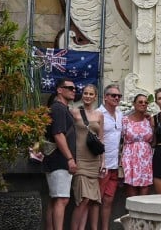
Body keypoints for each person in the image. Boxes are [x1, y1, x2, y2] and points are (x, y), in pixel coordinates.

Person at [44, 79, 78, 230]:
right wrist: (70, 158)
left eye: (74, 88)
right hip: (59, 160)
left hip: (58, 160)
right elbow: (58, 134)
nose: (73, 90)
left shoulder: (62, 108)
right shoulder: (58, 108)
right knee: (61, 199)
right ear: (59, 90)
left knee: (56, 199)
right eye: (69, 88)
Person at [71, 84, 103, 230]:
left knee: (89, 200)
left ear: (95, 97)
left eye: (91, 94)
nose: (88, 96)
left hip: (94, 160)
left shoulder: (99, 115)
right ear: (82, 95)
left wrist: (103, 162)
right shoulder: (74, 112)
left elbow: (101, 139)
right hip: (80, 160)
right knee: (82, 199)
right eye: (85, 93)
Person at [97, 84, 124, 230]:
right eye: (113, 95)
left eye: (119, 96)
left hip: (114, 165)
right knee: (96, 200)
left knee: (108, 200)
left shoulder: (120, 114)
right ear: (105, 97)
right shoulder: (98, 113)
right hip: (101, 164)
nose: (117, 98)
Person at [120, 93, 154, 197]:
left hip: (145, 158)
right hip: (130, 157)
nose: (143, 104)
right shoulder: (125, 120)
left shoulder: (149, 120)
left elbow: (153, 140)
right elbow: (120, 140)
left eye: (145, 102)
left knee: (145, 189)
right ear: (134, 104)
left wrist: (152, 123)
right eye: (140, 102)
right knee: (131, 189)